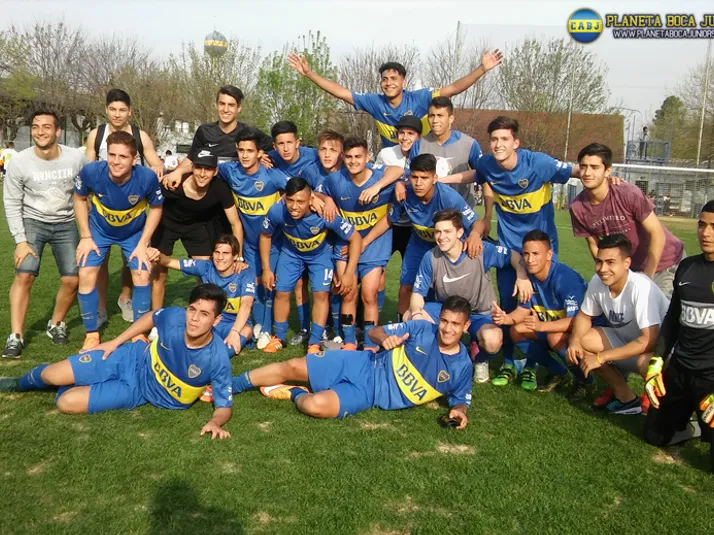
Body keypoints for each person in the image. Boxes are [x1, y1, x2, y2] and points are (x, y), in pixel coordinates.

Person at [440, 116, 578, 385]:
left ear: (516, 142)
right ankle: (508, 362)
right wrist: (442, 180)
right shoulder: (487, 163)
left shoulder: (537, 163)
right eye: (494, 139)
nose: (498, 144)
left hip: (539, 252)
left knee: (535, 309)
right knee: (506, 306)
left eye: (504, 139)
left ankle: (532, 366)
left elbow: (574, 171)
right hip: (508, 249)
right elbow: (475, 174)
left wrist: (605, 177)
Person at [0, 284, 233, 440]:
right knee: (51, 375)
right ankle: (18, 383)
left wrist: (215, 422)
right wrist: (116, 341)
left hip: (138, 391)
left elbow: (224, 406)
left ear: (216, 320)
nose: (194, 319)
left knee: (66, 402)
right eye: (192, 309)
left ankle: (75, 380)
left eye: (204, 314)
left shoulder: (218, 358)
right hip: (130, 357)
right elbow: (152, 317)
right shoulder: (174, 317)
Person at [230, 295, 474, 426]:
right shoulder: (422, 329)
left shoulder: (462, 366)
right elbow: (374, 332)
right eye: (444, 321)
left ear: (466, 327)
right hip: (363, 363)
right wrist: (385, 338)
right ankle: (232, 384)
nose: (447, 329)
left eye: (455, 324)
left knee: (313, 406)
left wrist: (460, 411)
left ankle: (295, 392)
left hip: (369, 394)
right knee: (292, 365)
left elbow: (460, 399)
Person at [408, 210, 532, 384]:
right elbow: (417, 294)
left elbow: (513, 255)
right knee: (410, 317)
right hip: (448, 312)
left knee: (492, 340)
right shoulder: (431, 257)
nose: (441, 237)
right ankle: (445, 356)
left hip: (480, 313)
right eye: (438, 232)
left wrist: (522, 275)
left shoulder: (479, 250)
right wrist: (416, 315)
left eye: (447, 231)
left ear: (460, 232)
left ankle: (480, 357)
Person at [2, 110, 87, 358]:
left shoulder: (76, 159)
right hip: (33, 221)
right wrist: (20, 240)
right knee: (24, 273)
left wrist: (88, 230)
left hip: (66, 222)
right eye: (36, 127)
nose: (40, 132)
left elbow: (89, 190)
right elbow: (11, 202)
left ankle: (56, 323)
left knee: (72, 279)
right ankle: (16, 335)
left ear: (57, 131)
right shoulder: (19, 162)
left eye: (46, 127)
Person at [287, 50, 503, 147]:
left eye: (393, 79)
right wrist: (309, 73)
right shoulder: (375, 102)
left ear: (403, 83)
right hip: (393, 162)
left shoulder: (420, 98)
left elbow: (453, 88)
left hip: (422, 158)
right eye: (384, 79)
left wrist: (482, 69)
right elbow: (341, 92)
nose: (388, 82)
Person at [362, 153, 483, 318]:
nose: (418, 183)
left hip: (444, 248)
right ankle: (403, 326)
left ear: (435, 178)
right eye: (414, 177)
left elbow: (477, 222)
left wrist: (475, 234)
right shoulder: (405, 193)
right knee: (406, 287)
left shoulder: (449, 197)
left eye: (424, 178)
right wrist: (365, 242)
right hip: (418, 244)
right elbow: (389, 220)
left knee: (443, 292)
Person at [74, 131, 163, 350]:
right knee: (85, 273)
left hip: (133, 234)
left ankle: (138, 333)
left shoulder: (147, 177)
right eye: (112, 155)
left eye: (123, 156)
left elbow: (156, 208)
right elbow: (79, 198)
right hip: (99, 231)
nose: (115, 161)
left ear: (134, 159)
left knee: (142, 273)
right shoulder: (92, 172)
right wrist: (85, 236)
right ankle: (91, 334)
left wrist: (143, 243)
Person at [643, 201, 714, 474]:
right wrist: (657, 362)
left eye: (713, 227)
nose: (706, 233)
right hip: (681, 371)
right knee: (654, 436)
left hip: (711, 378)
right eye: (702, 225)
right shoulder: (686, 268)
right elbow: (673, 319)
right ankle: (693, 425)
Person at [85, 89, 164, 327]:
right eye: (112, 109)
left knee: (132, 259)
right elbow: (88, 167)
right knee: (100, 260)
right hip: (103, 205)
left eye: (122, 110)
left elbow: (155, 162)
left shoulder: (140, 136)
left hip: (131, 204)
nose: (117, 114)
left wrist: (156, 170)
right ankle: (100, 307)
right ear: (106, 110)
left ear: (129, 112)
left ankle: (126, 297)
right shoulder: (97, 134)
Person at [566, 234, 669, 415]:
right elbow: (584, 316)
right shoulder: (597, 281)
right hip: (629, 344)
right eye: (599, 262)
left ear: (627, 263)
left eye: (610, 262)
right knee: (582, 342)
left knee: (645, 362)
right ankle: (626, 399)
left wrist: (601, 357)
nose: (602, 269)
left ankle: (665, 404)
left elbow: (650, 340)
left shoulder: (641, 287)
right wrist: (574, 342)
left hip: (660, 353)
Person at [260, 177, 362, 354]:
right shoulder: (277, 210)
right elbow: (265, 236)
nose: (294, 206)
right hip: (291, 254)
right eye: (290, 200)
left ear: (311, 199)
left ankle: (314, 342)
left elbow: (356, 238)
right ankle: (279, 338)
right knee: (281, 291)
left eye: (300, 201)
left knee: (320, 294)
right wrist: (266, 269)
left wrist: (349, 273)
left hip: (320, 256)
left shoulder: (325, 214)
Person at [569, 143, 684, 299]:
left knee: (657, 311)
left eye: (595, 167)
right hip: (630, 270)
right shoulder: (577, 207)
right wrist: (608, 271)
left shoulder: (627, 193)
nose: (587, 172)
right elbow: (595, 245)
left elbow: (657, 233)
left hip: (666, 263)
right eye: (583, 167)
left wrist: (647, 279)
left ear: (607, 171)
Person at [319, 137, 402, 351]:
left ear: (368, 157)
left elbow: (399, 172)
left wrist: (380, 187)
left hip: (375, 244)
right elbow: (318, 192)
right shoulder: (335, 180)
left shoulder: (381, 178)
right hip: (345, 244)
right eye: (348, 157)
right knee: (347, 292)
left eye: (358, 156)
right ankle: (349, 340)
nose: (353, 161)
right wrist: (327, 199)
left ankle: (370, 343)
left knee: (369, 293)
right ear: (343, 157)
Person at [490, 230, 594, 395]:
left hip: (584, 330)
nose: (530, 260)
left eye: (536, 254)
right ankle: (559, 372)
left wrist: (541, 326)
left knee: (554, 337)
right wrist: (506, 318)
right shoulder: (529, 278)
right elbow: (523, 310)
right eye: (526, 254)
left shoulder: (565, 279)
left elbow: (576, 321)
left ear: (549, 255)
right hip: (550, 326)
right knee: (516, 331)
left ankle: (585, 380)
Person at [216, 128, 290, 350]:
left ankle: (267, 329)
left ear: (260, 153)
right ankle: (258, 325)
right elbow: (205, 167)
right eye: (241, 150)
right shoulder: (230, 171)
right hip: (248, 242)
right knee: (254, 282)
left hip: (274, 242)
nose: (245, 155)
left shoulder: (272, 174)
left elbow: (298, 189)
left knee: (270, 283)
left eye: (250, 151)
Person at [150, 148, 243, 310]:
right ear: (192, 168)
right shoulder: (172, 183)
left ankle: (204, 311)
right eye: (199, 167)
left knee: (207, 270)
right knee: (159, 273)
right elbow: (149, 202)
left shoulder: (220, 188)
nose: (202, 174)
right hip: (166, 225)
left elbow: (235, 223)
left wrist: (239, 257)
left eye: (208, 169)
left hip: (195, 226)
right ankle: (155, 317)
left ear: (215, 172)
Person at [148, 235, 255, 357]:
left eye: (225, 253)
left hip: (233, 324)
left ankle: (213, 358)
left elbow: (246, 305)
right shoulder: (205, 267)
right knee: (178, 315)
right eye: (217, 252)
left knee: (247, 330)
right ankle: (167, 348)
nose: (220, 257)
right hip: (209, 320)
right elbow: (169, 262)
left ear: (235, 256)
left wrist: (235, 331)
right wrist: (157, 256)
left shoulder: (245, 273)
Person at [266, 121, 323, 345]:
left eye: (290, 142)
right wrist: (260, 155)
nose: (286, 148)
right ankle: (302, 328)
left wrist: (321, 197)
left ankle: (325, 328)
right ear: (274, 146)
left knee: (322, 287)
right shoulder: (270, 158)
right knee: (297, 283)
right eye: (280, 144)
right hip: (290, 224)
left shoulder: (314, 155)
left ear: (298, 142)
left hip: (317, 218)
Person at [162, 85, 272, 188]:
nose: (225, 109)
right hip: (211, 189)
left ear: (239, 108)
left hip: (239, 190)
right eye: (222, 104)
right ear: (216, 105)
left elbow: (277, 148)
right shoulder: (204, 131)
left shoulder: (249, 133)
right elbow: (191, 158)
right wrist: (177, 172)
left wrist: (260, 157)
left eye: (231, 105)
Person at [417, 96, 482, 207]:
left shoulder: (469, 144)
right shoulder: (419, 145)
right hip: (430, 209)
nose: (435, 120)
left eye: (440, 116)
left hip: (461, 210)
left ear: (451, 118)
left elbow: (483, 174)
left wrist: (488, 213)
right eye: (432, 116)